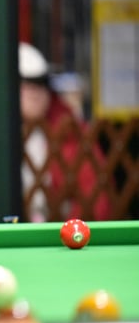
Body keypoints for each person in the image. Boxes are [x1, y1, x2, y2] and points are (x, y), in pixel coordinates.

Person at [19, 42, 111, 222]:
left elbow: (95, 195)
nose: (35, 93)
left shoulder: (68, 129)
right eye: (26, 84)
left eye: (42, 83)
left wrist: (67, 231)